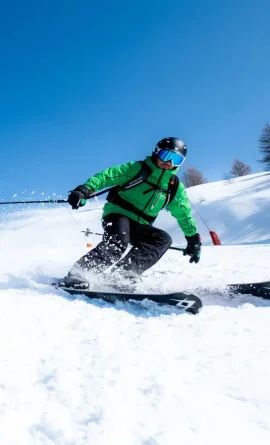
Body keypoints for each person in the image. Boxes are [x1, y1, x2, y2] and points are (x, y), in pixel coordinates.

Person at [60, 137, 201, 289]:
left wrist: (193, 239)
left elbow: (183, 213)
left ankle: (122, 274)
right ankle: (80, 272)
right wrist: (84, 189)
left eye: (177, 160)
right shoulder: (137, 169)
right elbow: (108, 176)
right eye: (167, 156)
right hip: (118, 213)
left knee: (162, 239)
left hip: (140, 224)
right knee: (119, 239)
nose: (169, 163)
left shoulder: (173, 186)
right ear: (156, 153)